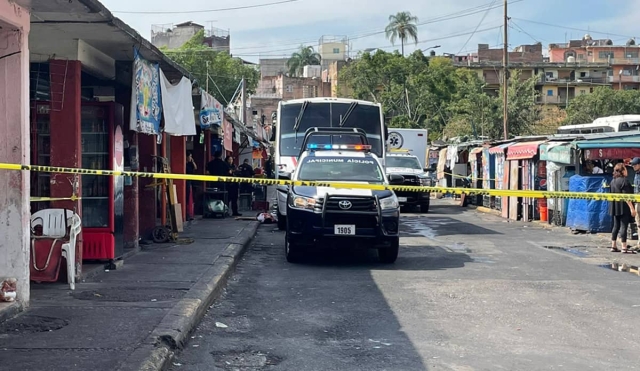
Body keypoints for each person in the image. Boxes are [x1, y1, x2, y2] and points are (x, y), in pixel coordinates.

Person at [609, 163, 637, 253]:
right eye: (625, 169)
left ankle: (613, 245)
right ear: (622, 171)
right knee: (623, 226)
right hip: (623, 207)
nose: (627, 171)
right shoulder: (625, 181)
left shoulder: (612, 181)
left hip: (615, 206)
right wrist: (632, 208)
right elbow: (627, 197)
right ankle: (624, 246)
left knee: (616, 226)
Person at [185, 151, 197, 221]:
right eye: (190, 156)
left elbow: (195, 167)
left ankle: (190, 214)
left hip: (190, 182)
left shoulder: (190, 164)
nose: (190, 158)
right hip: (186, 182)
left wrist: (192, 161)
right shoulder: (184, 164)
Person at [632, 157, 640, 250]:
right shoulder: (636, 174)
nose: (633, 166)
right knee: (638, 223)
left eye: (635, 165)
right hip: (637, 201)